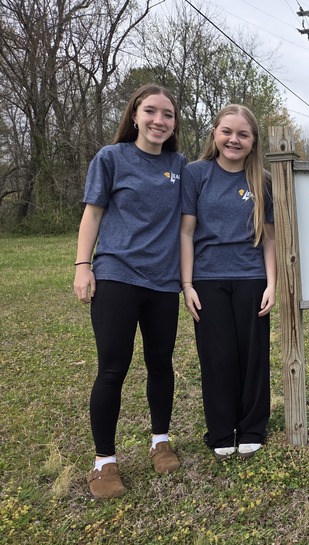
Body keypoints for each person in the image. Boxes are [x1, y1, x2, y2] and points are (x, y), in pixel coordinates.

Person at [74, 84, 186, 499]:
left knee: (161, 363)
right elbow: (93, 213)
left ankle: (161, 441)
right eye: (151, 112)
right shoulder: (111, 158)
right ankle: (104, 462)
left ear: (174, 124)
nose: (159, 121)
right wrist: (83, 266)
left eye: (168, 115)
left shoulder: (180, 166)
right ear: (135, 115)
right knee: (112, 368)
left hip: (162, 282)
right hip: (117, 275)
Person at [179, 104, 277, 460]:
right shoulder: (195, 174)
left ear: (253, 141)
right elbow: (186, 233)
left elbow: (269, 237)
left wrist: (271, 283)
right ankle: (221, 430)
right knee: (217, 356)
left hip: (251, 278)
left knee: (253, 357)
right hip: (207, 279)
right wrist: (187, 284)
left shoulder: (263, 180)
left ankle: (252, 427)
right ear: (215, 134)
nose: (234, 140)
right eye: (227, 132)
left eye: (243, 134)